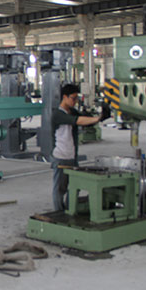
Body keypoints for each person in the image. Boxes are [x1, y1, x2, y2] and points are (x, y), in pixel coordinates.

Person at [51, 83, 110, 211]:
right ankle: (58, 213)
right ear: (64, 97)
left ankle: (69, 210)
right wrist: (97, 118)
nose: (75, 101)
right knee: (60, 189)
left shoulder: (72, 111)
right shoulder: (58, 114)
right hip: (61, 158)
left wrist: (100, 116)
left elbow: (85, 120)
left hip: (72, 157)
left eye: (76, 98)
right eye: (73, 98)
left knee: (74, 187)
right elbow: (78, 120)